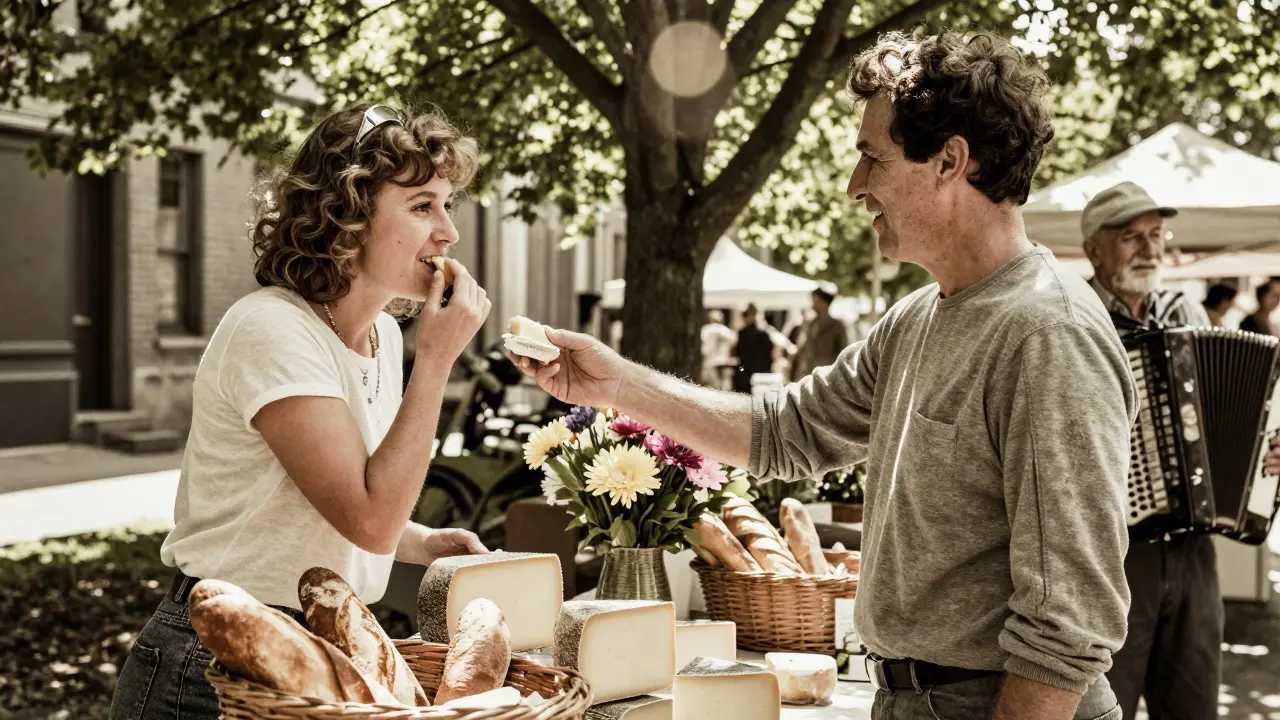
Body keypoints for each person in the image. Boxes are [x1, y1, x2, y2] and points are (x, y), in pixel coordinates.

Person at [514, 31, 1137, 720]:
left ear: (950, 161)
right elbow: (784, 433)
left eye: (873, 158)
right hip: (917, 700)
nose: (854, 187)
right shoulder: (916, 318)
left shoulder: (1048, 333)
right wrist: (616, 385)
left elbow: (1068, 617)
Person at [109, 103, 491, 720]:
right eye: (422, 206)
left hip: (327, 651)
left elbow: (334, 505)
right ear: (347, 214)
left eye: (447, 205)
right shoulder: (271, 329)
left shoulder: (383, 338)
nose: (447, 231)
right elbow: (368, 518)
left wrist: (420, 542)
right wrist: (438, 362)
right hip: (214, 662)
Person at [1079, 181, 1239, 720]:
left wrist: (1266, 450)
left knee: (1194, 705)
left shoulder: (1184, 308)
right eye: (1131, 237)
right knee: (1109, 705)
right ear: (1094, 250)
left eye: (1155, 235)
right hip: (1116, 554)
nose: (1150, 249)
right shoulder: (1075, 318)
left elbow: (1237, 404)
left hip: (1195, 552)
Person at [791, 285, 849, 380]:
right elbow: (804, 349)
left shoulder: (837, 325)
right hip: (808, 376)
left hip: (828, 377)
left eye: (815, 299)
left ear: (823, 302)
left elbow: (844, 353)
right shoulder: (810, 323)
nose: (812, 303)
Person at [729, 303, 776, 393]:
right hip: (761, 375)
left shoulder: (743, 333)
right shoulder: (765, 333)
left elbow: (738, 355)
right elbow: (770, 356)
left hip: (745, 375)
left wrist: (741, 369)